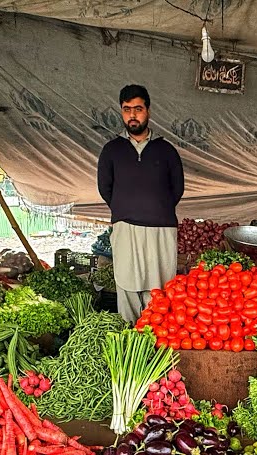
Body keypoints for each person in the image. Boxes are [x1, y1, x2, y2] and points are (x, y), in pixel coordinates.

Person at [97, 84, 185, 323]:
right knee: (127, 283)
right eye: (127, 109)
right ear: (121, 112)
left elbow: (177, 189)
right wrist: (126, 208)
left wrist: (156, 207)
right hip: (125, 226)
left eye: (138, 108)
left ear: (148, 111)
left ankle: (157, 336)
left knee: (158, 287)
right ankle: (129, 338)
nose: (132, 115)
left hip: (161, 228)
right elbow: (105, 188)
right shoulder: (111, 150)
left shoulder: (166, 151)